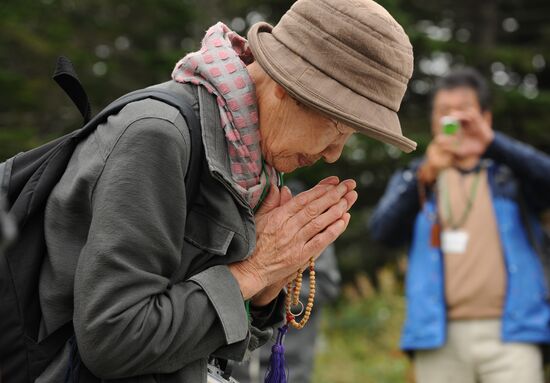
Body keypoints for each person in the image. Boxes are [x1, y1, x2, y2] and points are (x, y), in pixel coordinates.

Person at [36, 0, 415, 381]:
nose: (335, 154)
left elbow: (204, 346)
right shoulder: (159, 136)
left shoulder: (248, 160)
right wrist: (254, 269)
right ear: (288, 85)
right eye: (337, 126)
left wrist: (267, 288)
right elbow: (111, 341)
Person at [369, 67, 550, 383]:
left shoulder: (510, 175)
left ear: (485, 118)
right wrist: (424, 175)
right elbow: (382, 232)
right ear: (433, 120)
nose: (454, 121)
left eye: (463, 113)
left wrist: (492, 142)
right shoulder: (420, 178)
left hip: (514, 333)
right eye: (444, 113)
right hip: (438, 337)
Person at [232, 180, 342, 383]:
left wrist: (273, 287)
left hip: (291, 358)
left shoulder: (314, 234)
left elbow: (326, 285)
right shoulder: (249, 229)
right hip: (238, 365)